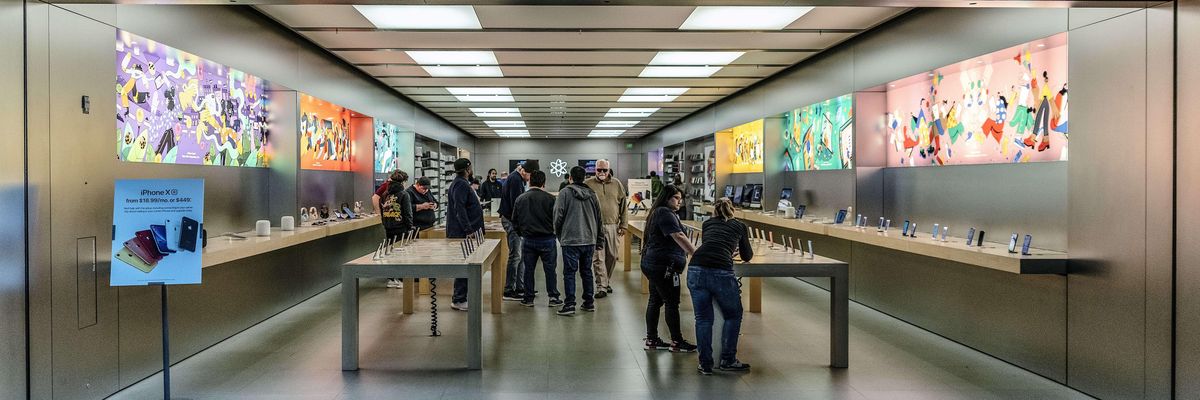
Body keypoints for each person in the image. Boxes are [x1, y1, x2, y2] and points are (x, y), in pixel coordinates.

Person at [688, 198, 753, 375]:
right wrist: (732, 250)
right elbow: (747, 256)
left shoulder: (707, 224)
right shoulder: (740, 226)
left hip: (696, 268)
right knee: (733, 314)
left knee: (702, 318)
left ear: (713, 211)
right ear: (733, 210)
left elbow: (712, 241)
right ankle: (728, 359)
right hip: (720, 271)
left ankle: (705, 363)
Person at [640, 184, 698, 353]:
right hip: (664, 266)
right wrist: (695, 253)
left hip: (652, 264)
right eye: (676, 198)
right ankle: (677, 341)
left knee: (655, 301)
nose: (679, 202)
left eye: (680, 198)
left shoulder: (656, 212)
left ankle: (652, 339)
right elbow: (678, 235)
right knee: (672, 303)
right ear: (667, 198)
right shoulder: (665, 213)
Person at [553, 166, 605, 316]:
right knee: (587, 271)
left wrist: (558, 234)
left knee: (569, 273)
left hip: (570, 240)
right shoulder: (592, 194)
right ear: (584, 178)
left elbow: (558, 215)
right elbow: (599, 219)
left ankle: (569, 304)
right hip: (589, 239)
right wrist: (599, 239)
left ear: (570, 178)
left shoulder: (564, 193)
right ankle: (589, 303)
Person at [510, 170, 562, 308]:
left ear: (529, 181)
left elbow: (514, 221)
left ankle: (528, 298)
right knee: (550, 270)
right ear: (544, 183)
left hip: (528, 240)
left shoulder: (520, 199)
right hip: (548, 239)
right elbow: (557, 220)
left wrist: (522, 233)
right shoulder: (551, 199)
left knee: (528, 270)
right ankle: (553, 297)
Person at [584, 159, 627, 297]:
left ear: (609, 170)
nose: (602, 172)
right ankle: (601, 286)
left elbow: (623, 205)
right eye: (599, 170)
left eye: (604, 170)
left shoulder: (617, 183)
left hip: (613, 225)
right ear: (594, 170)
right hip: (594, 227)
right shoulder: (588, 184)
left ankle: (606, 281)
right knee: (598, 258)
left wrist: (624, 224)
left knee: (612, 256)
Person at [447, 158, 485, 311]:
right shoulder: (461, 184)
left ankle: (461, 297)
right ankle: (459, 299)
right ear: (468, 169)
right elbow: (460, 209)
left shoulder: (461, 183)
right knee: (464, 265)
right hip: (463, 233)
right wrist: (469, 230)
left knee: (467, 265)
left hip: (465, 231)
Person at [498, 161, 539, 301]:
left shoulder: (517, 178)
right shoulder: (515, 180)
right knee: (515, 256)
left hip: (514, 221)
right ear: (525, 171)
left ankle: (520, 287)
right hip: (512, 221)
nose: (530, 179)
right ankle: (509, 290)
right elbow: (517, 204)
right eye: (530, 176)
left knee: (520, 256)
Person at [378, 170, 413, 289]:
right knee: (401, 253)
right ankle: (400, 278)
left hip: (388, 227)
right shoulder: (404, 194)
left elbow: (382, 210)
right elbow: (407, 213)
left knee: (390, 252)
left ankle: (391, 278)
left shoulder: (385, 194)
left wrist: (385, 223)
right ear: (403, 182)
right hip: (401, 227)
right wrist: (410, 227)